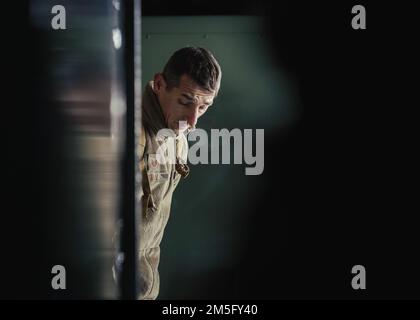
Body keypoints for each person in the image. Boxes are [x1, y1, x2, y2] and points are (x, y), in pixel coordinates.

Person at [137, 46, 222, 299]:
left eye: (204, 107)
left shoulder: (177, 135)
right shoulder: (132, 133)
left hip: (145, 282)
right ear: (160, 84)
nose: (193, 120)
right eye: (186, 102)